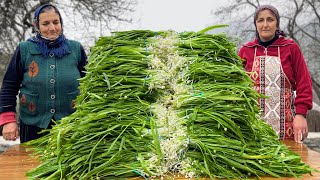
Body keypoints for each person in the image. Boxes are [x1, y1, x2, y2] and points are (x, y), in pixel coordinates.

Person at [0, 4, 87, 143]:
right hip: (33, 125)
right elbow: (9, 86)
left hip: (72, 126)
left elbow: (90, 83)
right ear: (37, 26)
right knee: (31, 164)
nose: (52, 28)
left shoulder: (75, 49)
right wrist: (8, 119)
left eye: (55, 22)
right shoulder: (25, 49)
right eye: (45, 24)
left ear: (61, 23)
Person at [238, 5, 313, 143]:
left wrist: (301, 114)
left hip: (287, 128)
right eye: (260, 20)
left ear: (277, 23)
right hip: (253, 127)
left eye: (270, 20)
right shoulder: (245, 50)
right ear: (255, 24)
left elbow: (304, 83)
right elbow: (236, 87)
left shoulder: (290, 48)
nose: (265, 25)